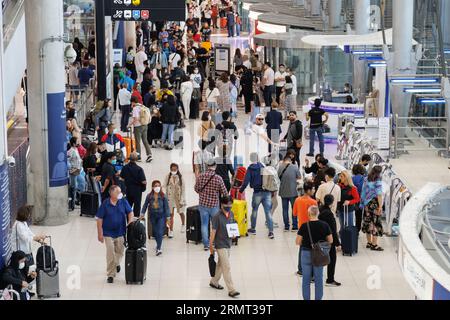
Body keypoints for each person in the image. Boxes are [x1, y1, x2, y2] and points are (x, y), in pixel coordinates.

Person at [96, 185, 134, 283]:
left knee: (120, 252)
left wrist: (130, 221)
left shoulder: (123, 201)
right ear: (112, 193)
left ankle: (116, 263)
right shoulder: (105, 204)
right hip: (108, 233)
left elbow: (130, 212)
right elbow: (99, 219)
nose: (120, 194)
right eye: (118, 192)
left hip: (121, 232)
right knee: (110, 253)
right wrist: (100, 234)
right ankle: (111, 275)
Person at [296, 206, 333, 300]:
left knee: (306, 279)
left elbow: (298, 242)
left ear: (309, 214)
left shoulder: (304, 225)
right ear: (318, 214)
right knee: (318, 278)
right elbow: (330, 240)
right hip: (319, 254)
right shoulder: (324, 225)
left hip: (306, 253)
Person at [209, 196, 240, 298]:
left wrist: (234, 234)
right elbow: (213, 232)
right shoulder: (216, 217)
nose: (229, 206)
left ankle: (214, 281)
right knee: (226, 267)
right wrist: (211, 245)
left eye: (230, 204)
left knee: (221, 265)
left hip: (228, 243)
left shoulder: (231, 213)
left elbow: (232, 225)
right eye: (227, 204)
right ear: (221, 204)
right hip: (220, 245)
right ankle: (231, 290)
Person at [194, 159, 228, 251]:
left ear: (207, 166)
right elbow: (225, 192)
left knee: (204, 224)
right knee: (215, 225)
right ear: (215, 166)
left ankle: (206, 244)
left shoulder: (201, 176)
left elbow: (196, 189)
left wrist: (203, 193)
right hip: (214, 206)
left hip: (203, 204)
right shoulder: (218, 178)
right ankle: (214, 242)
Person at [239, 153, 274, 239]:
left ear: (251, 159)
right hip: (267, 192)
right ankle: (271, 232)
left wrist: (241, 190)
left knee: (254, 210)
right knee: (268, 212)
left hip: (257, 192)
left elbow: (246, 181)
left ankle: (253, 229)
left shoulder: (250, 168)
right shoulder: (263, 166)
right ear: (258, 158)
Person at [11, 205, 46, 276]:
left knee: (31, 271)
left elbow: (30, 234)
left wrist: (39, 240)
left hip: (27, 252)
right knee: (24, 273)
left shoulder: (24, 223)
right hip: (20, 254)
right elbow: (25, 238)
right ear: (24, 214)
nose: (29, 215)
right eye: (28, 214)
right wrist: (39, 237)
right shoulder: (18, 225)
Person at [293, 182, 317, 275]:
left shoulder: (297, 200)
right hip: (311, 227)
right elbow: (315, 215)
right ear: (309, 190)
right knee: (311, 248)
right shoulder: (313, 202)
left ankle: (300, 269)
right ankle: (310, 268)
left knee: (302, 248)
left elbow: (294, 214)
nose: (314, 191)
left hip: (301, 227)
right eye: (313, 189)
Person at [141, 181, 171, 256]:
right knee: (155, 232)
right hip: (152, 216)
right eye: (155, 186)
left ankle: (158, 248)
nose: (157, 187)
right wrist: (142, 213)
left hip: (161, 216)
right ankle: (158, 244)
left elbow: (166, 207)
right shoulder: (149, 196)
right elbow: (145, 205)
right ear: (152, 187)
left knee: (160, 231)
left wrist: (168, 217)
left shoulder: (163, 196)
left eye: (158, 185)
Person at [360, 166, 384, 251]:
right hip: (374, 204)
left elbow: (363, 192)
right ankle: (374, 245)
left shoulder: (366, 179)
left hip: (367, 204)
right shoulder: (377, 181)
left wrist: (362, 203)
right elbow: (379, 195)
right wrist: (380, 206)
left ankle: (369, 243)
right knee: (376, 224)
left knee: (368, 222)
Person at [319, 195, 342, 287]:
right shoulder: (329, 214)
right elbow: (333, 230)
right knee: (332, 259)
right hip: (329, 240)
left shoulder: (320, 210)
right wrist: (338, 243)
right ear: (332, 202)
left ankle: (314, 276)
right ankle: (330, 279)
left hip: (319, 238)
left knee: (318, 259)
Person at [278, 155, 301, 232]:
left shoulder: (280, 167)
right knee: (294, 209)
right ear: (290, 161)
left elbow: (278, 177)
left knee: (285, 209)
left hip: (283, 191)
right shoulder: (295, 167)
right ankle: (294, 226)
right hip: (293, 191)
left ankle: (286, 226)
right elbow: (299, 177)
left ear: (284, 161)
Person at [120, 152, 147, 217]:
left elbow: (122, 178)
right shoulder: (139, 169)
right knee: (137, 206)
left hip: (128, 189)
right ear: (136, 159)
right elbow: (143, 181)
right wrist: (143, 188)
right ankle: (135, 221)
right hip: (137, 190)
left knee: (128, 205)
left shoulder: (125, 167)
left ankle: (128, 219)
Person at [164, 163, 186, 237]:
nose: (174, 171)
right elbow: (164, 186)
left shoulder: (180, 177)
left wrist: (182, 199)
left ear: (177, 169)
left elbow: (183, 189)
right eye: (172, 169)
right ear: (170, 169)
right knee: (171, 214)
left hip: (179, 197)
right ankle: (171, 230)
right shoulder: (168, 176)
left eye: (175, 169)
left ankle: (183, 224)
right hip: (170, 198)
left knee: (181, 212)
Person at [130, 96, 153, 162]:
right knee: (145, 141)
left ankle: (138, 157)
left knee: (138, 142)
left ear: (133, 102)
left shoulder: (135, 108)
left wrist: (129, 124)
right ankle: (149, 155)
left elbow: (136, 118)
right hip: (145, 125)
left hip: (138, 127)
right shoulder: (142, 106)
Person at [68, 137, 82, 211]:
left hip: (78, 170)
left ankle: (76, 201)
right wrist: (71, 169)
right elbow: (68, 161)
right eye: (77, 142)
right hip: (73, 172)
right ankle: (72, 204)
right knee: (73, 187)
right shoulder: (70, 151)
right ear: (74, 143)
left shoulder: (76, 150)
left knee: (79, 185)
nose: (78, 143)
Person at [352, 164, 366, 233]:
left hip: (352, 199)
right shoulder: (364, 179)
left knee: (350, 214)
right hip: (361, 199)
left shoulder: (351, 178)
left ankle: (350, 229)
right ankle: (357, 229)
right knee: (359, 215)